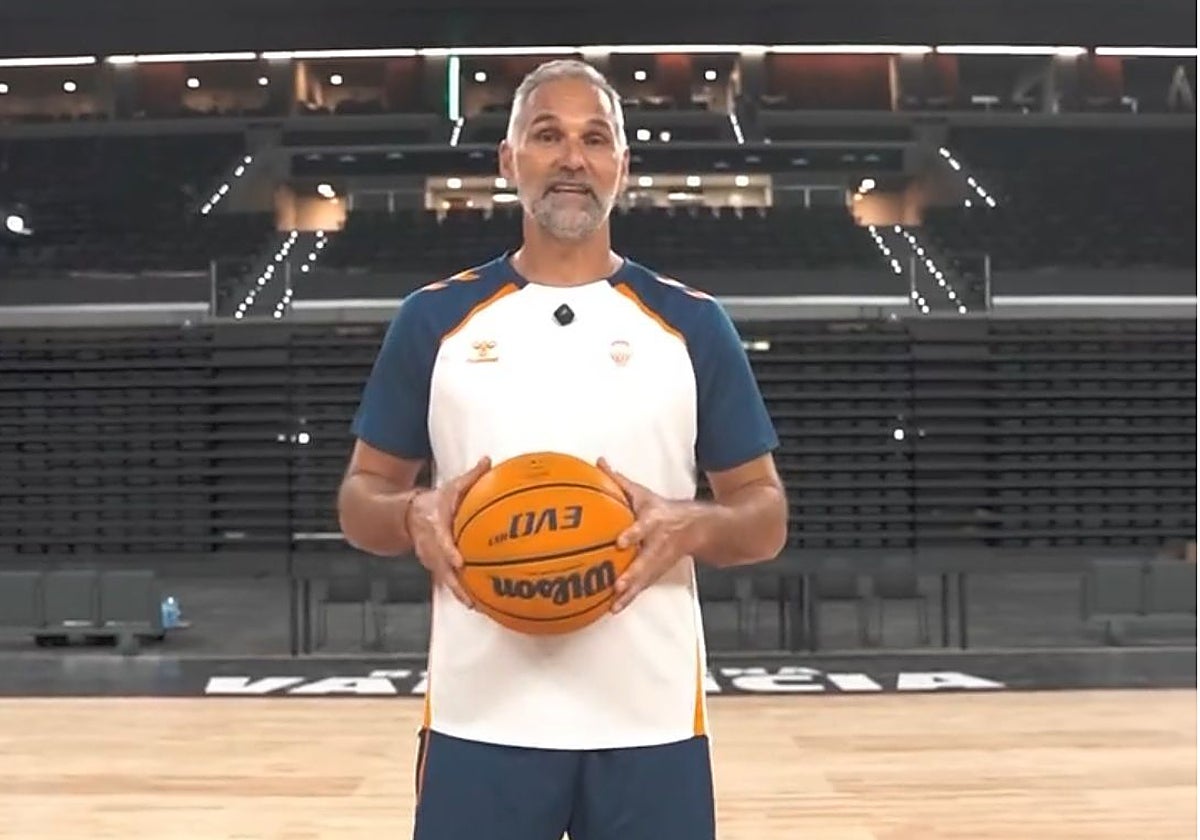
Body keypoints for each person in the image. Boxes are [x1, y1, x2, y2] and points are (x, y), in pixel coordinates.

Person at [337, 58, 788, 840]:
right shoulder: (434, 320)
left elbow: (765, 514)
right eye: (547, 135)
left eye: (595, 138)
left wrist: (692, 525)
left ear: (623, 164)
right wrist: (411, 513)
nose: (572, 157)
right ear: (508, 160)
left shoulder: (692, 324)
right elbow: (358, 500)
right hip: (483, 720)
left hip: (649, 726)